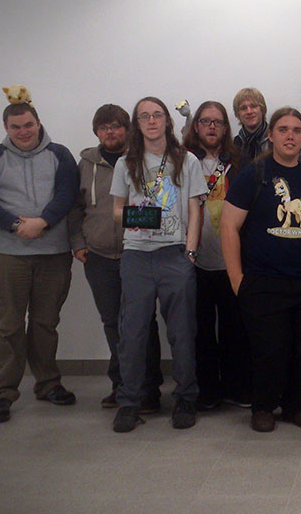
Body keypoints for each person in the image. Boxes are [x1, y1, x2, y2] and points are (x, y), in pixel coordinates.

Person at [221, 107, 301, 433]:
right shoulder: (252, 175)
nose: (290, 135)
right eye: (283, 129)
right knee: (269, 351)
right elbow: (229, 226)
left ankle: (296, 405)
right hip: (263, 282)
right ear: (271, 135)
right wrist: (237, 280)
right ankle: (263, 407)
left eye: (297, 130)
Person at [0, 96, 79, 423]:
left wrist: (42, 222)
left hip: (53, 253)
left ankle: (48, 384)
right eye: (16, 126)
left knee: (46, 323)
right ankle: (2, 393)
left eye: (28, 124)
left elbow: (67, 195)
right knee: (8, 324)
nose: (23, 131)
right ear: (6, 128)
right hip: (8, 254)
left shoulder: (60, 155)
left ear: (38, 122)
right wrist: (18, 225)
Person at [110, 97, 208, 432]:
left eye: (157, 115)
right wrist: (140, 217)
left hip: (174, 254)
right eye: (144, 116)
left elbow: (195, 209)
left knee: (182, 332)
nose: (151, 121)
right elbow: (117, 210)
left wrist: (190, 253)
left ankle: (185, 398)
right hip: (136, 255)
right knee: (133, 333)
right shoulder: (127, 163)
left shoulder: (187, 160)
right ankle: (129, 402)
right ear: (137, 124)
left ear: (167, 120)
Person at [67, 104, 163, 411]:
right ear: (96, 131)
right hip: (98, 256)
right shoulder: (84, 164)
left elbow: (157, 206)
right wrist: (78, 242)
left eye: (117, 126)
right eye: (104, 127)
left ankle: (150, 389)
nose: (111, 131)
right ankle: (121, 383)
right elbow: (75, 208)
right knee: (112, 322)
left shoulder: (142, 160)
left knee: (142, 321)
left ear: (128, 129)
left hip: (137, 253)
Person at [184, 101, 252, 411]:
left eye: (218, 122)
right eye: (206, 121)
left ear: (226, 128)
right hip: (194, 261)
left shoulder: (239, 163)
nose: (212, 127)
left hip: (232, 262)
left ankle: (236, 387)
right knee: (200, 330)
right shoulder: (182, 163)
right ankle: (207, 390)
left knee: (234, 328)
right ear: (196, 126)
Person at [232, 87, 270, 163]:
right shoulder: (234, 144)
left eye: (253, 106)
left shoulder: (275, 140)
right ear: (238, 114)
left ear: (262, 109)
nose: (249, 111)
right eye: (243, 108)